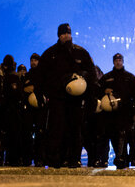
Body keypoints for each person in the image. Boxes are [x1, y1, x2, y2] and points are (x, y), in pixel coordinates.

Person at [36, 23, 98, 168]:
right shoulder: (50, 53)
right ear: (58, 35)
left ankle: (74, 158)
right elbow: (40, 76)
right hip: (57, 98)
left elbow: (91, 75)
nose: (65, 36)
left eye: (68, 33)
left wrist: (91, 96)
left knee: (75, 129)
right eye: (63, 33)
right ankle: (55, 158)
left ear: (71, 34)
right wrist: (40, 94)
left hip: (75, 99)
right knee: (57, 129)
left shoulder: (81, 53)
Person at [96, 53, 135, 169]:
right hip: (110, 114)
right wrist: (103, 91)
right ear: (113, 62)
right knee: (112, 136)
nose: (118, 62)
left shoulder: (130, 78)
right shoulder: (106, 78)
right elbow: (96, 92)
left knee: (124, 136)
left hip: (125, 113)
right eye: (116, 60)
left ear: (123, 61)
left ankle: (122, 158)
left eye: (120, 60)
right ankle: (118, 157)